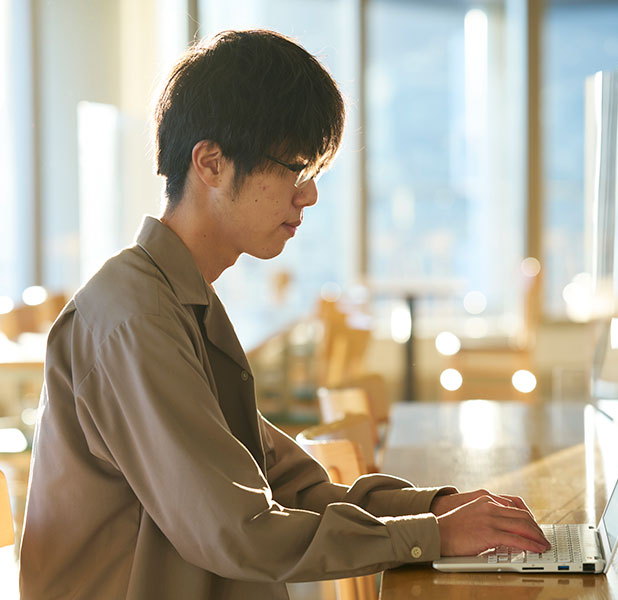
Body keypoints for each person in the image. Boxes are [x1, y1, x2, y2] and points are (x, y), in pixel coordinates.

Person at [18, 30, 549, 599]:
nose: (310, 195)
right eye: (296, 168)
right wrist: (429, 536)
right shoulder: (135, 318)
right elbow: (239, 531)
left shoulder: (179, 300)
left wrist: (437, 510)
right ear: (211, 163)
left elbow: (290, 489)